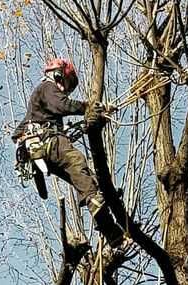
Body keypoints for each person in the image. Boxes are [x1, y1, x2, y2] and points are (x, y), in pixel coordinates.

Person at [12, 58, 124, 247]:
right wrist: (88, 106)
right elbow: (62, 105)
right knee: (76, 161)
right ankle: (96, 200)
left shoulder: (37, 100)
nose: (65, 90)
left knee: (83, 181)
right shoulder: (47, 87)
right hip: (48, 141)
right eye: (67, 84)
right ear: (58, 75)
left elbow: (18, 132)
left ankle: (110, 231)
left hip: (41, 149)